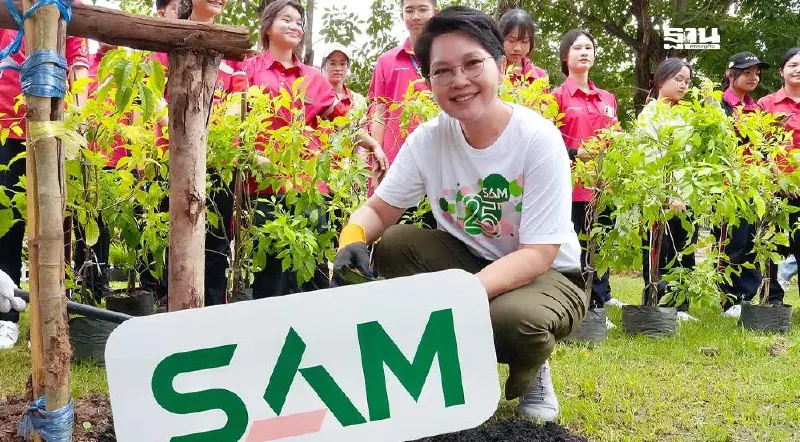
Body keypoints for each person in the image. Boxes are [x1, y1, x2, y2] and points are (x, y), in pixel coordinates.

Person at [333, 6, 586, 422]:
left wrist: (458, 298)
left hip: (549, 275)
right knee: (394, 242)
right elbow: (379, 208)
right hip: (471, 259)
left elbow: (538, 252)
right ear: (429, 82)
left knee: (513, 320)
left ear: (500, 66)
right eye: (443, 71)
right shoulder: (429, 140)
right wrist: (352, 239)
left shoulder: (537, 139)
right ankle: (443, 364)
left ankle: (533, 365)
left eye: (472, 64)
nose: (459, 81)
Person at [244, 0, 385, 299]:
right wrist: (252, 155)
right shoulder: (249, 70)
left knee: (313, 271)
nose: (295, 26)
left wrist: (371, 142)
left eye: (299, 22)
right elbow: (236, 122)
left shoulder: (312, 77)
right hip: (264, 185)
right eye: (286, 19)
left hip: (308, 187)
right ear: (267, 27)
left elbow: (341, 121)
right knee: (271, 273)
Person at [0, 28, 90, 348]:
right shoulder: (8, 12)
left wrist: (80, 119)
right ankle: (6, 316)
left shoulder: (67, 10)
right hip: (7, 124)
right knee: (7, 224)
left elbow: (79, 64)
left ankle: (51, 319)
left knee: (55, 226)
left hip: (53, 123)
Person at [552, 29, 625, 327]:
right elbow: (547, 143)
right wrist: (574, 153)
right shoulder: (556, 97)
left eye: (589, 47)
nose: (584, 52)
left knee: (601, 244)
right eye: (577, 48)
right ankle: (579, 302)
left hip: (604, 186)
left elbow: (616, 137)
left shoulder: (607, 98)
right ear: (565, 56)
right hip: (572, 187)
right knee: (577, 247)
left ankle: (599, 299)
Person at [637, 57, 698, 322]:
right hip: (659, 198)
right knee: (659, 250)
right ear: (661, 80)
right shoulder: (650, 114)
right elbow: (649, 158)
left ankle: (680, 305)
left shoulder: (687, 115)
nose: (683, 85)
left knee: (684, 249)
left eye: (687, 81)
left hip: (686, 195)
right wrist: (665, 194)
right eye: (678, 79)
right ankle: (658, 301)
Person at [714, 52, 771, 318]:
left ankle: (746, 297)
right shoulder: (718, 106)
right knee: (731, 242)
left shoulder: (757, 109)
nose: (753, 78)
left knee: (752, 241)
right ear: (731, 74)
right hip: (728, 186)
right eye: (747, 72)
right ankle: (728, 300)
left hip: (754, 185)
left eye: (756, 73)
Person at [368, 0, 437, 167]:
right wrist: (376, 158)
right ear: (402, 15)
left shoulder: (447, 56)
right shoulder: (387, 61)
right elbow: (380, 113)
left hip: (438, 152)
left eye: (422, 10)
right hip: (396, 157)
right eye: (409, 10)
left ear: (435, 14)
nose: (415, 16)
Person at [758, 47, 800, 305]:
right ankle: (772, 299)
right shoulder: (767, 104)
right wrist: (779, 178)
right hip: (776, 189)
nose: (798, 69)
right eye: (792, 65)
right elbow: (760, 145)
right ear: (781, 71)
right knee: (771, 244)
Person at [498, 8, 547, 84]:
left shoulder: (540, 76)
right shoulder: (489, 70)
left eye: (524, 42)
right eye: (511, 41)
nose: (517, 48)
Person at [321, 47, 366, 116]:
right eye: (332, 63)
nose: (338, 68)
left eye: (342, 64)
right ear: (324, 67)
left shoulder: (358, 101)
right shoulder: (316, 96)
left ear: (347, 67)